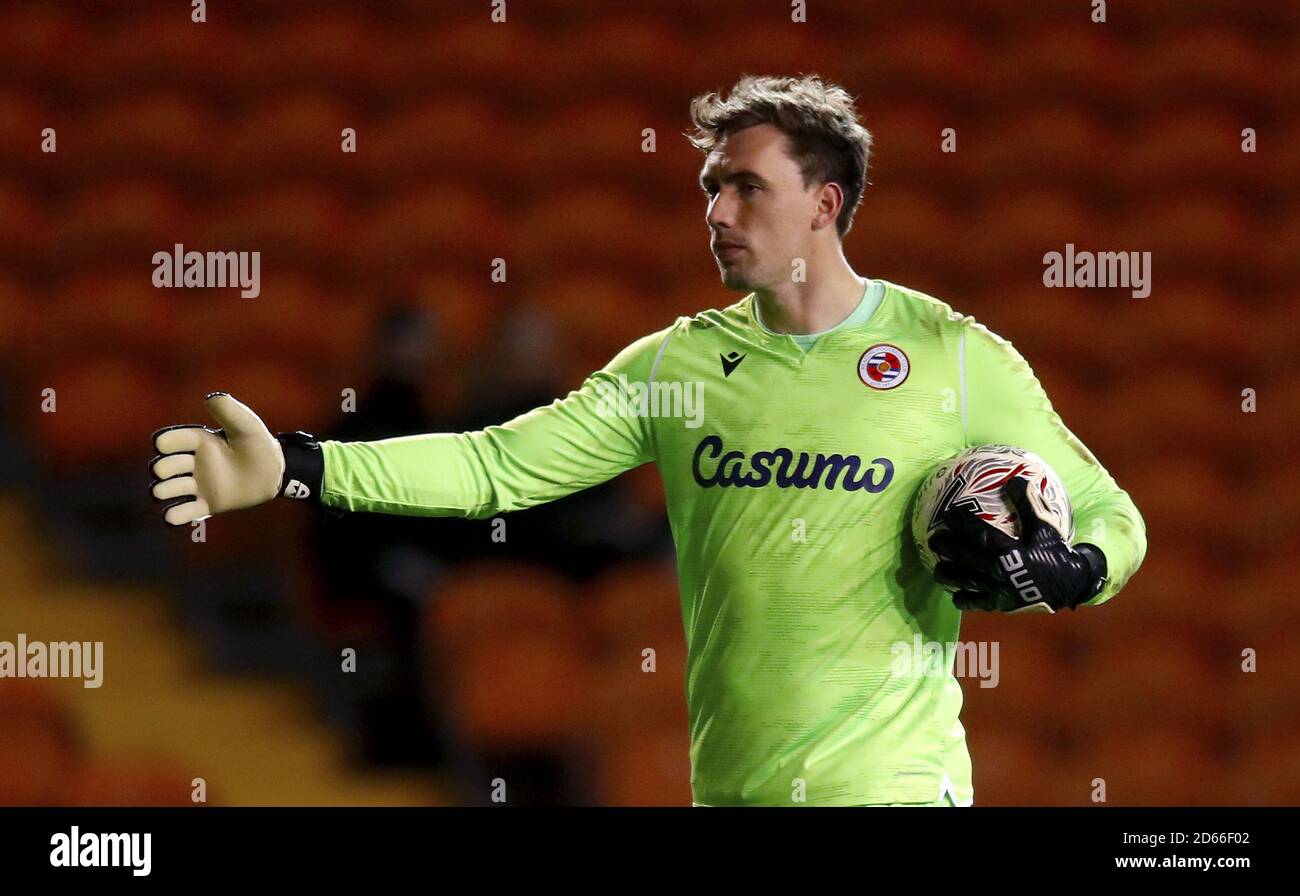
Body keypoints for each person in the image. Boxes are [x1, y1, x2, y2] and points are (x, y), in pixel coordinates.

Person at [149, 74, 1147, 807]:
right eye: (710, 187)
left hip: (893, 784)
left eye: (744, 186)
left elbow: (1113, 515)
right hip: (728, 788)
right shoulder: (677, 367)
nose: (713, 210)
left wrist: (1070, 567)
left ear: (824, 204)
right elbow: (498, 463)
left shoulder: (950, 354)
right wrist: (300, 466)